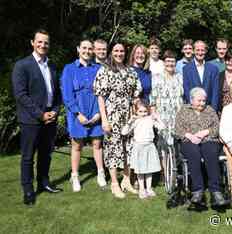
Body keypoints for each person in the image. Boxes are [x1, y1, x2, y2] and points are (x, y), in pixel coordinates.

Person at [12, 29, 62, 205]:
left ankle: (43, 183)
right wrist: (41, 115)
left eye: (46, 42)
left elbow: (57, 93)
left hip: (50, 118)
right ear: (32, 43)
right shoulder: (22, 65)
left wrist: (54, 111)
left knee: (45, 154)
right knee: (28, 157)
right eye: (39, 41)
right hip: (31, 120)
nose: (43, 45)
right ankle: (28, 190)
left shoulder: (52, 66)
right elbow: (21, 95)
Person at [94, 42, 141, 198]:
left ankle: (126, 181)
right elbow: (100, 97)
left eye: (121, 51)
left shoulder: (130, 71)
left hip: (128, 115)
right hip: (112, 114)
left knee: (129, 147)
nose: (119, 53)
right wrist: (104, 120)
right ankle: (114, 183)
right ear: (111, 52)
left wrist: (137, 112)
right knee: (113, 148)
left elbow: (135, 94)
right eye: (116, 51)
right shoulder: (105, 70)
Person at [61, 39, 106, 192]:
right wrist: (77, 113)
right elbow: (67, 94)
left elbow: (104, 93)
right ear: (78, 49)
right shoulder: (69, 69)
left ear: (93, 51)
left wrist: (99, 113)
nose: (87, 51)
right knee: (77, 145)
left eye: (89, 48)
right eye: (84, 48)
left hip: (95, 112)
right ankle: (75, 176)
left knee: (97, 144)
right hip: (77, 114)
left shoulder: (98, 68)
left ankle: (101, 173)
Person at [175, 87, 226, 207]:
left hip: (208, 140)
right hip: (189, 140)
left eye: (204, 100)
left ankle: (216, 191)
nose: (202, 103)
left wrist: (205, 132)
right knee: (194, 153)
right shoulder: (183, 110)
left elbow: (217, 128)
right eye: (199, 100)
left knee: (211, 152)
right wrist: (189, 136)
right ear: (191, 100)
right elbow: (177, 129)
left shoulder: (210, 110)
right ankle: (198, 190)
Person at [149, 50, 183, 177]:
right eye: (168, 61)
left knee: (176, 146)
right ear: (164, 62)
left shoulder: (180, 77)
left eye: (172, 61)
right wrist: (155, 117)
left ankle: (176, 171)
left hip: (177, 117)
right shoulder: (156, 78)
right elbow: (152, 100)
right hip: (162, 117)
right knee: (163, 146)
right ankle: (165, 173)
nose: (170, 63)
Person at [122, 101, 163, 199]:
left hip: (149, 146)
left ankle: (148, 188)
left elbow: (162, 127)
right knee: (140, 170)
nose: (143, 114)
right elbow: (124, 132)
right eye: (140, 111)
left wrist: (158, 118)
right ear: (136, 111)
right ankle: (142, 188)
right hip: (139, 147)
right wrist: (130, 121)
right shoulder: (135, 121)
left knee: (149, 169)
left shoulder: (150, 119)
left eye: (145, 111)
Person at [183, 40, 220, 112]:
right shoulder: (186, 69)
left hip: (209, 109)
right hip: (193, 110)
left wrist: (212, 111)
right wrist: (193, 108)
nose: (200, 53)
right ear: (193, 51)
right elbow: (187, 90)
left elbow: (215, 92)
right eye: (197, 50)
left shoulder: (213, 69)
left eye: (202, 50)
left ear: (206, 51)